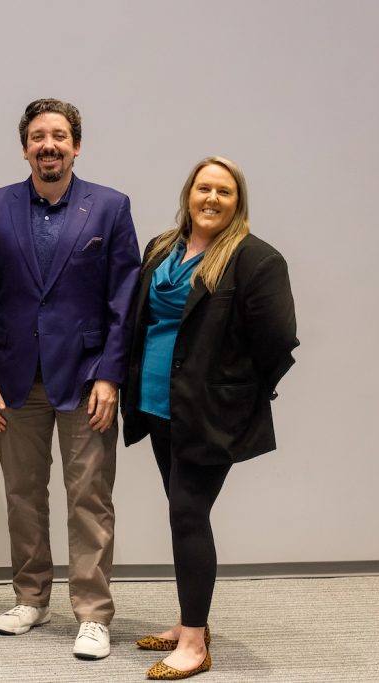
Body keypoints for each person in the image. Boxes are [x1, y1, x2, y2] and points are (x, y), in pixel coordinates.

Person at [0, 99, 140, 659]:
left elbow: (123, 300)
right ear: (25, 147)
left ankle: (92, 613)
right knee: (23, 494)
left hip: (87, 378)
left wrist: (111, 374)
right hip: (14, 376)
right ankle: (31, 598)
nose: (49, 144)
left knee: (89, 495)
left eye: (60, 136)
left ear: (76, 146)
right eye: (39, 136)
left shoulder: (110, 207)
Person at [122, 157, 298, 680]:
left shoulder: (255, 259)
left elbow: (278, 342)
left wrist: (239, 395)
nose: (212, 199)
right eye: (204, 188)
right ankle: (188, 622)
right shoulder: (162, 248)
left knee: (188, 515)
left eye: (224, 191)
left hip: (207, 413)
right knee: (181, 513)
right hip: (156, 405)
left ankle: (194, 644)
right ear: (189, 194)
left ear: (237, 202)